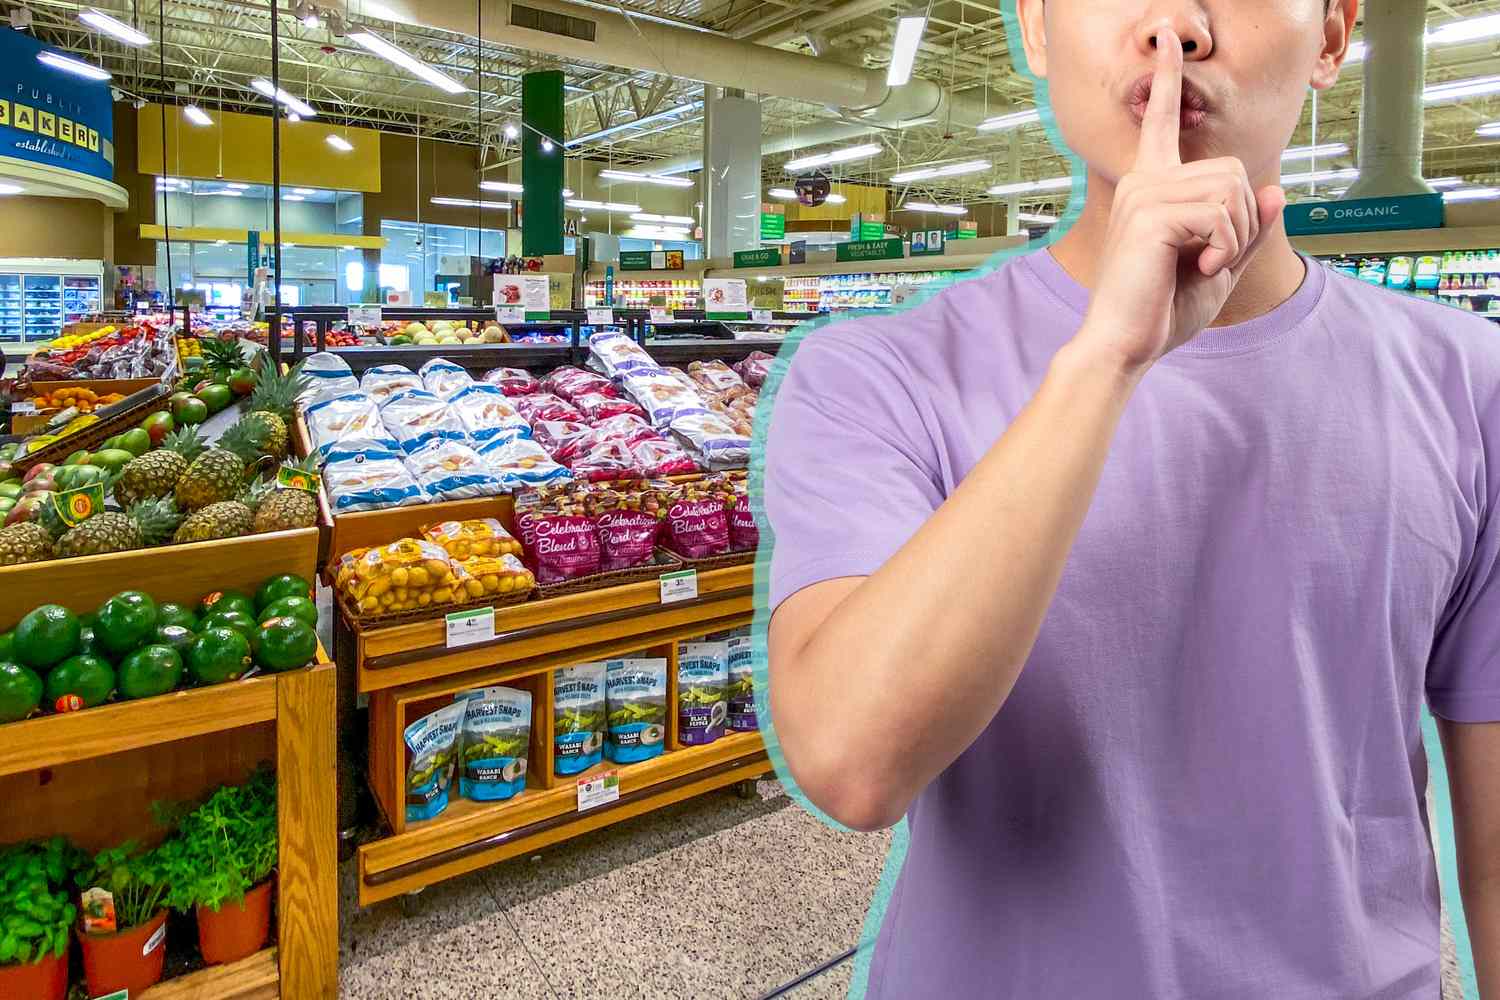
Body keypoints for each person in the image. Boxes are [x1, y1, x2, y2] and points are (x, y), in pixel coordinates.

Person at [762, 1, 1500, 997]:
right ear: (1034, 27)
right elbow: (852, 760)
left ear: (1332, 35)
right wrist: (1107, 359)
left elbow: (1493, 861)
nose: (1176, 25)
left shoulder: (1469, 386)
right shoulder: (879, 377)